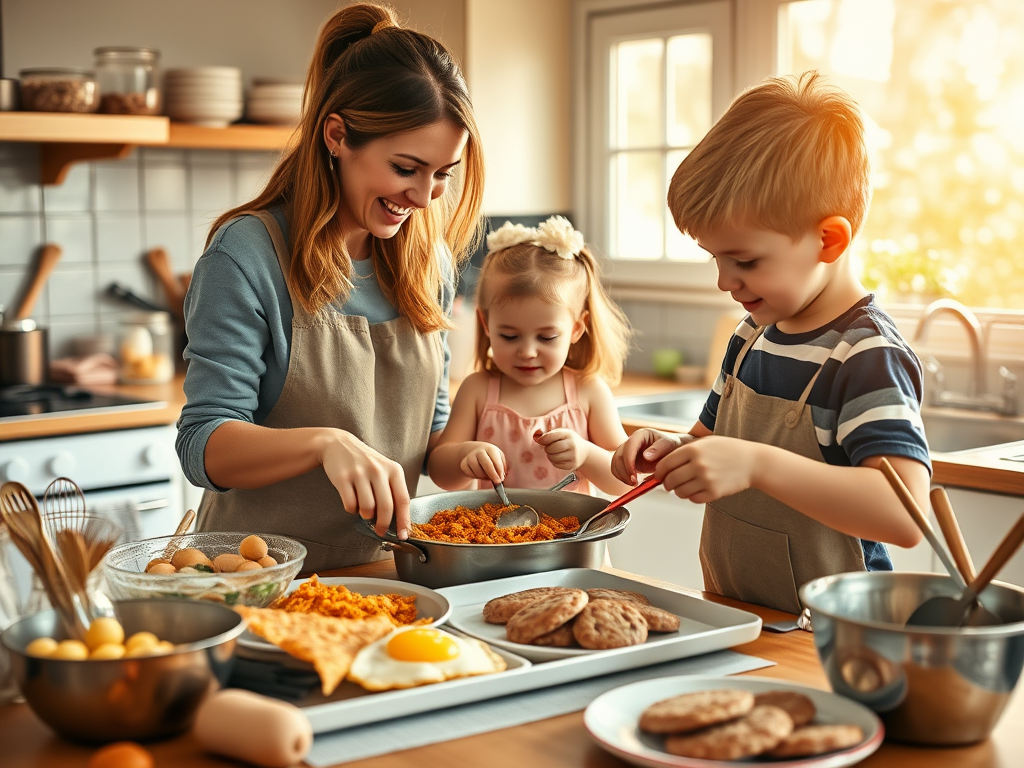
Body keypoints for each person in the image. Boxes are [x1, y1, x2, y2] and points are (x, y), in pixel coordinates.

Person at [175, 3, 485, 572]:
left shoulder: (429, 262)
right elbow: (203, 444)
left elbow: (427, 435)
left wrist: (467, 457)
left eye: (443, 173)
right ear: (337, 136)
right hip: (258, 580)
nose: (424, 197)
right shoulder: (247, 255)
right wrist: (323, 443)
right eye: (406, 168)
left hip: (389, 575)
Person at [611, 72, 928, 614]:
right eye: (717, 259)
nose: (724, 281)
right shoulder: (750, 335)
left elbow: (904, 515)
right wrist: (673, 450)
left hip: (834, 634)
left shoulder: (866, 354)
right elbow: (712, 444)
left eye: (746, 261)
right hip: (738, 613)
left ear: (828, 240)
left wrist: (756, 465)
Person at [428, 216, 633, 497]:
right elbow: (440, 473)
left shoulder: (588, 391)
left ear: (576, 329)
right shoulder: (477, 390)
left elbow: (626, 480)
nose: (527, 352)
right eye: (509, 336)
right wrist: (464, 456)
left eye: (546, 337)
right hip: (495, 540)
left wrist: (587, 455)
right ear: (486, 326)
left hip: (573, 542)